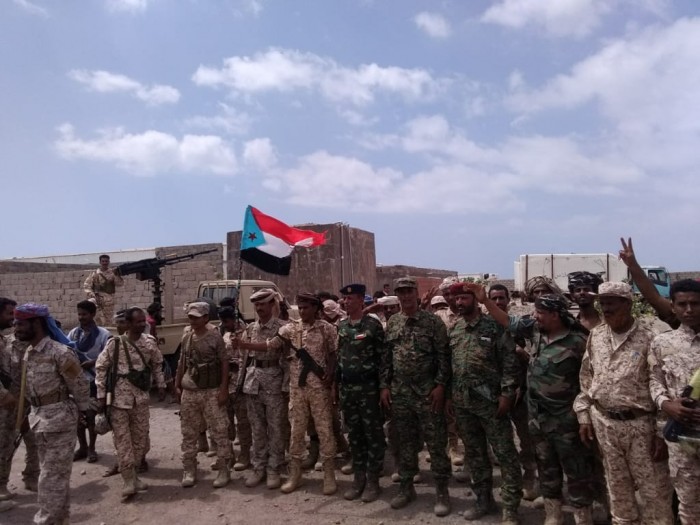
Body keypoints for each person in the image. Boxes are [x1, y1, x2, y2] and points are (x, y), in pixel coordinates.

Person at [471, 284, 595, 525]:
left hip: (567, 420)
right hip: (539, 418)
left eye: (540, 312)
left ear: (555, 315)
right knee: (546, 466)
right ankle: (553, 513)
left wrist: (584, 416)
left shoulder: (579, 342)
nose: (535, 316)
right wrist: (485, 301)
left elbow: (591, 382)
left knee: (577, 470)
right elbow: (507, 321)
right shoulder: (535, 331)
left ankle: (583, 516)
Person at [575, 282, 674, 525]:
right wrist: (584, 414)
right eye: (603, 303)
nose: (606, 309)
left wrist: (661, 432)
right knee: (618, 492)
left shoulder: (650, 338)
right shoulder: (597, 335)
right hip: (605, 424)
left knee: (655, 494)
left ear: (627, 304)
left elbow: (662, 385)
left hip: (641, 427)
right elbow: (587, 376)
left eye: (611, 303)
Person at [448, 283, 522, 524]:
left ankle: (510, 507)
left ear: (475, 299)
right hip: (464, 404)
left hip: (492, 403)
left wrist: (507, 394)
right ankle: (483, 500)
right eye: (457, 299)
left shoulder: (494, 326)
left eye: (464, 298)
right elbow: (451, 366)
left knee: (506, 454)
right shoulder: (455, 328)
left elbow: (510, 362)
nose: (460, 303)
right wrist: (450, 397)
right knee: (475, 455)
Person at [381, 277, 452, 517]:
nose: (405, 296)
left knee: (436, 442)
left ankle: (441, 491)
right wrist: (384, 386)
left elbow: (444, 357)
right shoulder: (393, 322)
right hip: (401, 393)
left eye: (409, 291)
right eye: (401, 292)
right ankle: (406, 487)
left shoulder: (432, 322)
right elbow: (387, 357)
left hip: (427, 392)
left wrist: (440, 385)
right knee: (405, 443)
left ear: (416, 293)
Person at [14, 303, 90, 525]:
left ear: (37, 323)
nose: (16, 329)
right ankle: (60, 519)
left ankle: (46, 520)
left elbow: (79, 385)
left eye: (21, 324)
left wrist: (83, 412)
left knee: (51, 476)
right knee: (55, 475)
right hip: (38, 419)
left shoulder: (60, 353)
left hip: (59, 421)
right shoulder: (29, 352)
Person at [267, 293, 338, 495]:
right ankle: (295, 474)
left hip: (319, 390)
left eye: (306, 307)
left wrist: (330, 374)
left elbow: (333, 354)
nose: (303, 311)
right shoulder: (291, 329)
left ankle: (329, 475)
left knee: (325, 431)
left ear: (315, 308)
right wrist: (243, 344)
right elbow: (271, 345)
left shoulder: (326, 328)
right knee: (296, 432)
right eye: (300, 307)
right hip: (298, 390)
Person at [95, 307, 166, 500]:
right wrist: (101, 395)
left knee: (140, 441)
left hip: (141, 400)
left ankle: (134, 475)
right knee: (122, 441)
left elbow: (157, 364)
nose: (142, 324)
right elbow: (101, 367)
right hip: (119, 401)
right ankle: (127, 480)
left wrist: (161, 385)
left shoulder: (149, 342)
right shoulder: (115, 344)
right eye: (138, 321)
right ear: (128, 323)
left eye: (144, 321)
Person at [649, 279, 700, 524]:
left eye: (695, 303)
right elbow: (654, 380)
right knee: (688, 504)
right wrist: (667, 405)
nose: (689, 310)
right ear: (673, 306)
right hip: (682, 438)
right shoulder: (662, 343)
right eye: (682, 304)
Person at [335, 283, 387, 503]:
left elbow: (383, 360)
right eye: (344, 299)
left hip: (369, 390)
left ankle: (373, 480)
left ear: (360, 299)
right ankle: (359, 478)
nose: (346, 302)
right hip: (348, 390)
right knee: (354, 435)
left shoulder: (373, 326)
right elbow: (339, 358)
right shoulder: (342, 326)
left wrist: (384, 387)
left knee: (373, 435)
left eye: (350, 298)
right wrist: (336, 387)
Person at [488, 284, 539, 501]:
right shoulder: (485, 325)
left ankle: (530, 477)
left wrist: (521, 352)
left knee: (526, 438)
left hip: (520, 391)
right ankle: (510, 479)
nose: (498, 302)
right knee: (501, 441)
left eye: (501, 297)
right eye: (494, 298)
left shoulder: (519, 325)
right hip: (494, 392)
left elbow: (535, 355)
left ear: (508, 299)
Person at [234, 289, 287, 489]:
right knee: (257, 429)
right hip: (252, 383)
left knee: (276, 428)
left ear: (272, 304)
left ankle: (274, 468)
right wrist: (240, 383)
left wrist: (287, 385)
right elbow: (244, 359)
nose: (259, 308)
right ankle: (259, 467)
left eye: (263, 304)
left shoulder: (282, 327)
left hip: (274, 382)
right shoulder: (249, 329)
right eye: (256, 305)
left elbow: (279, 352)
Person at [175, 302, 231, 489]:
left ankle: (224, 469)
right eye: (190, 317)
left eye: (196, 317)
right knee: (188, 432)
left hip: (211, 391)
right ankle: (189, 469)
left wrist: (224, 389)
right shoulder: (187, 337)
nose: (193, 320)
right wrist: (177, 384)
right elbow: (182, 361)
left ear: (206, 318)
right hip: (190, 391)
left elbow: (224, 362)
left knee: (220, 431)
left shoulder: (215, 337)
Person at [0, 298, 39, 512]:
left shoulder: (38, 343)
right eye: (10, 315)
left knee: (34, 441)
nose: (14, 321)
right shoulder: (6, 343)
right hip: (8, 404)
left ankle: (32, 477)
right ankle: (1, 485)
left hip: (31, 401)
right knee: (5, 445)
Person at [68, 300, 111, 463]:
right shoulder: (74, 334)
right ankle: (83, 447)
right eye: (79, 314)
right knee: (78, 416)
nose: (81, 317)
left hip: (95, 381)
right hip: (77, 381)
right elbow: (67, 351)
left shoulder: (103, 334)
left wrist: (92, 363)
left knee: (92, 415)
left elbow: (109, 356)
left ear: (93, 314)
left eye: (84, 314)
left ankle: (92, 448)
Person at [218, 306, 252, 473]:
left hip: (241, 384)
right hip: (227, 384)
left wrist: (238, 350)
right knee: (226, 421)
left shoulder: (246, 333)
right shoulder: (224, 334)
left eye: (227, 321)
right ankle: (228, 454)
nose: (225, 325)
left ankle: (245, 454)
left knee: (243, 421)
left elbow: (248, 359)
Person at [83, 254, 124, 326]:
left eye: (106, 261)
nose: (105, 263)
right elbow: (87, 285)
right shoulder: (95, 273)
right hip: (97, 299)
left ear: (109, 262)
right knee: (97, 319)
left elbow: (120, 284)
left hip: (109, 300)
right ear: (100, 262)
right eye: (103, 261)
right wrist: (92, 294)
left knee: (108, 321)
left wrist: (116, 275)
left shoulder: (112, 273)